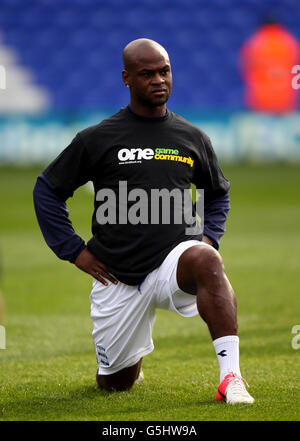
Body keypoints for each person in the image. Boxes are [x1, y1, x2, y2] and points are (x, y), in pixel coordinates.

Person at [33, 38, 254, 404]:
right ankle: (131, 359)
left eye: (164, 71)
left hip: (174, 261)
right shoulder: (97, 138)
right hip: (115, 273)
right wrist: (73, 251)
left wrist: (210, 237)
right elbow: (47, 189)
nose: (158, 80)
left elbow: (219, 190)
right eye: (146, 73)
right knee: (116, 384)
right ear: (126, 78)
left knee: (207, 261)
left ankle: (231, 377)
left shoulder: (192, 137)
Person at [240, 13, 300, 113]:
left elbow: (245, 68)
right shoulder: (290, 42)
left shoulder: (254, 42)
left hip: (259, 101)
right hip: (286, 101)